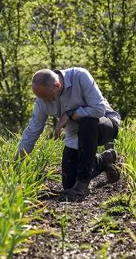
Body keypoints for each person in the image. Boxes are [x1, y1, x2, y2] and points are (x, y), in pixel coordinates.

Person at [17, 66, 122, 201]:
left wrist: (70, 114)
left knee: (87, 122)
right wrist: (16, 162)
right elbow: (32, 131)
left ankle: (83, 184)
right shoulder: (42, 100)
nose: (46, 101)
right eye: (41, 98)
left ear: (57, 85)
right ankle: (104, 160)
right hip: (74, 135)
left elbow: (99, 109)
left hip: (104, 125)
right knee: (68, 184)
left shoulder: (79, 76)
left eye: (48, 98)